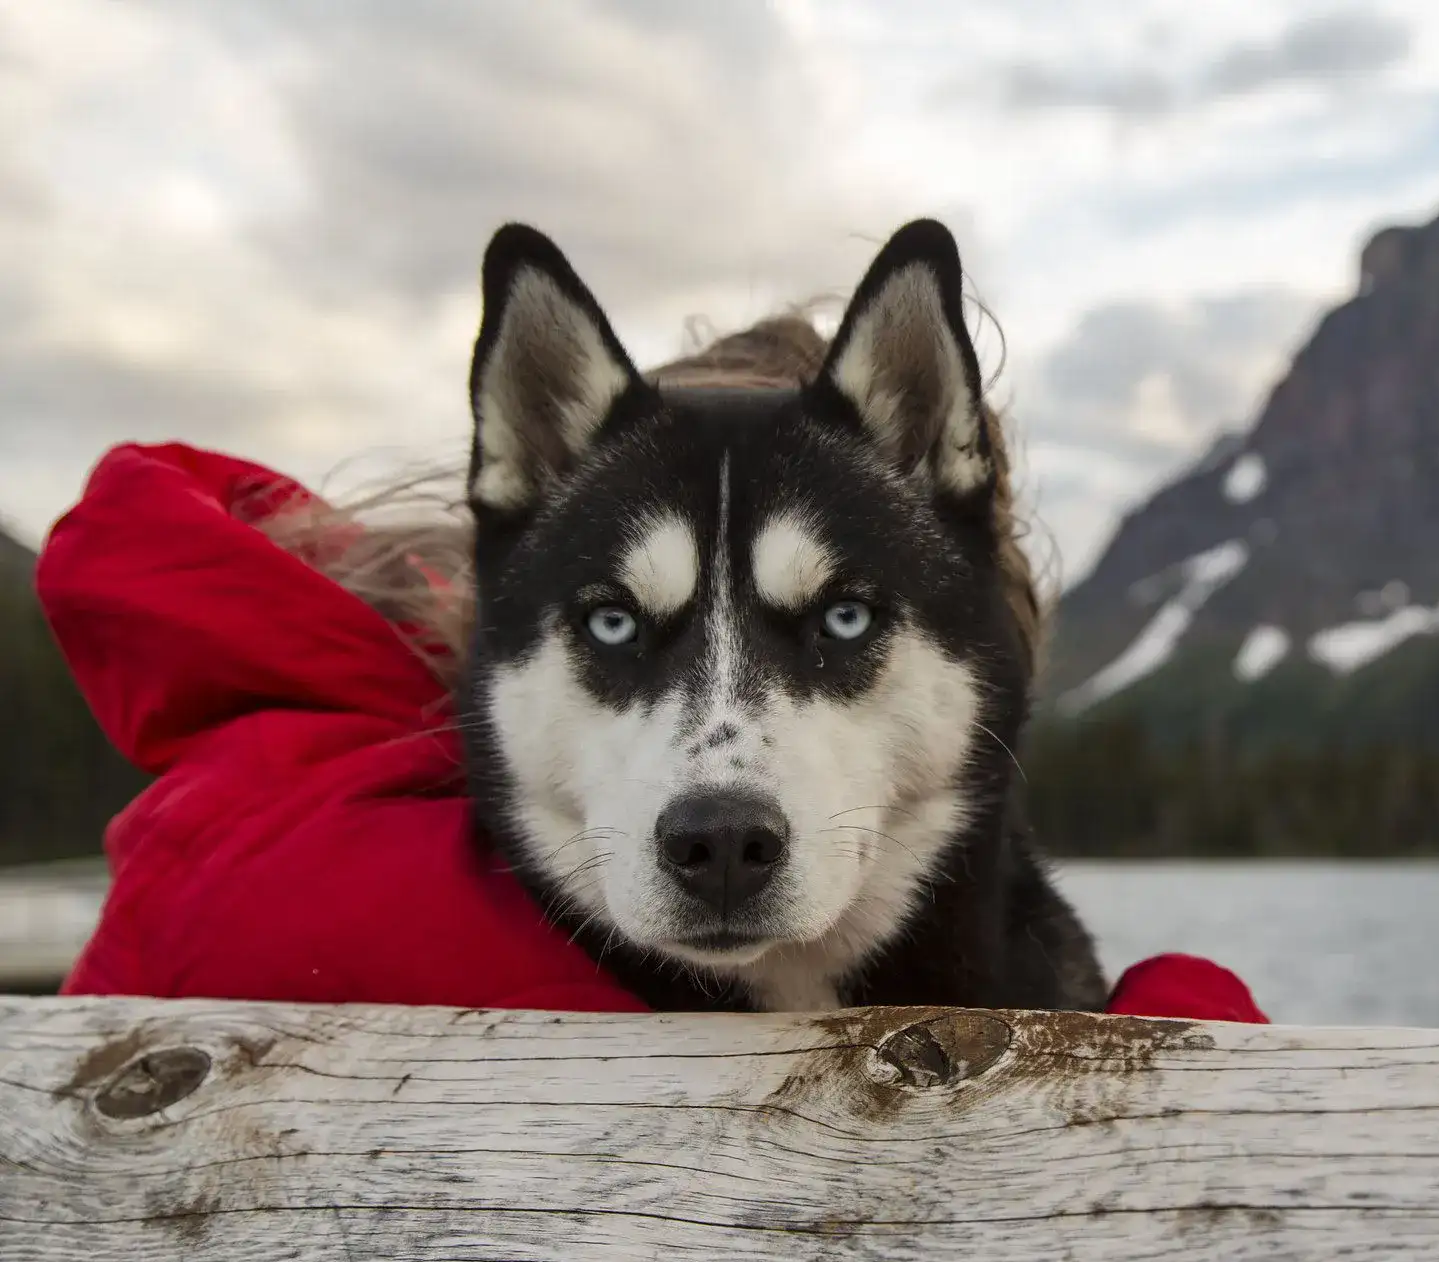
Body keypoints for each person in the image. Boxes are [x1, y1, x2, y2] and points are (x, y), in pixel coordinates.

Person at [36, 316, 1267, 1025]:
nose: (721, 767)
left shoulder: (250, 821)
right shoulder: (345, 892)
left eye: (839, 624)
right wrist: (1182, 1043)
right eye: (620, 629)